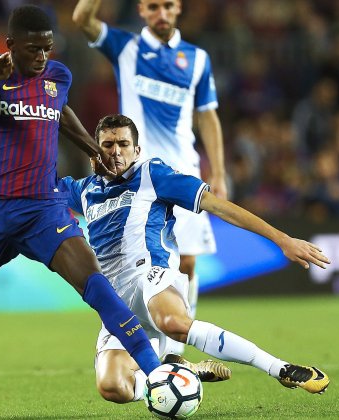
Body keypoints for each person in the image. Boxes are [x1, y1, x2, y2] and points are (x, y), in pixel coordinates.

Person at [0, 112, 332, 402]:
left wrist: (282, 239)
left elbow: (219, 206)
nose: (114, 152)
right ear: (94, 151)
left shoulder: (154, 175)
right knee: (112, 387)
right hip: (112, 301)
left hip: (152, 275)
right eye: (107, 145)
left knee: (172, 322)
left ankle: (280, 367)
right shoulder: (80, 190)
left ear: (136, 149)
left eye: (122, 144)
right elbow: (18, 179)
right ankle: (177, 373)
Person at [0, 5, 162, 379]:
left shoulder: (58, 75)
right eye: (33, 48)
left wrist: (92, 150)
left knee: (96, 284)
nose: (41, 57)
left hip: (43, 209)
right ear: (11, 45)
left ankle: (155, 371)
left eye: (47, 48)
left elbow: (60, 110)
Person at [73, 0, 228, 356]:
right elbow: (82, 18)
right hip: (136, 176)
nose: (162, 13)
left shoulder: (197, 59)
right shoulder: (126, 47)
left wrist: (217, 171)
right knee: (141, 262)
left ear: (178, 9)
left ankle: (175, 355)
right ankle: (144, 345)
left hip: (182, 172)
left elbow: (207, 116)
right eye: (153, 6)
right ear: (141, 10)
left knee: (187, 262)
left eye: (168, 6)